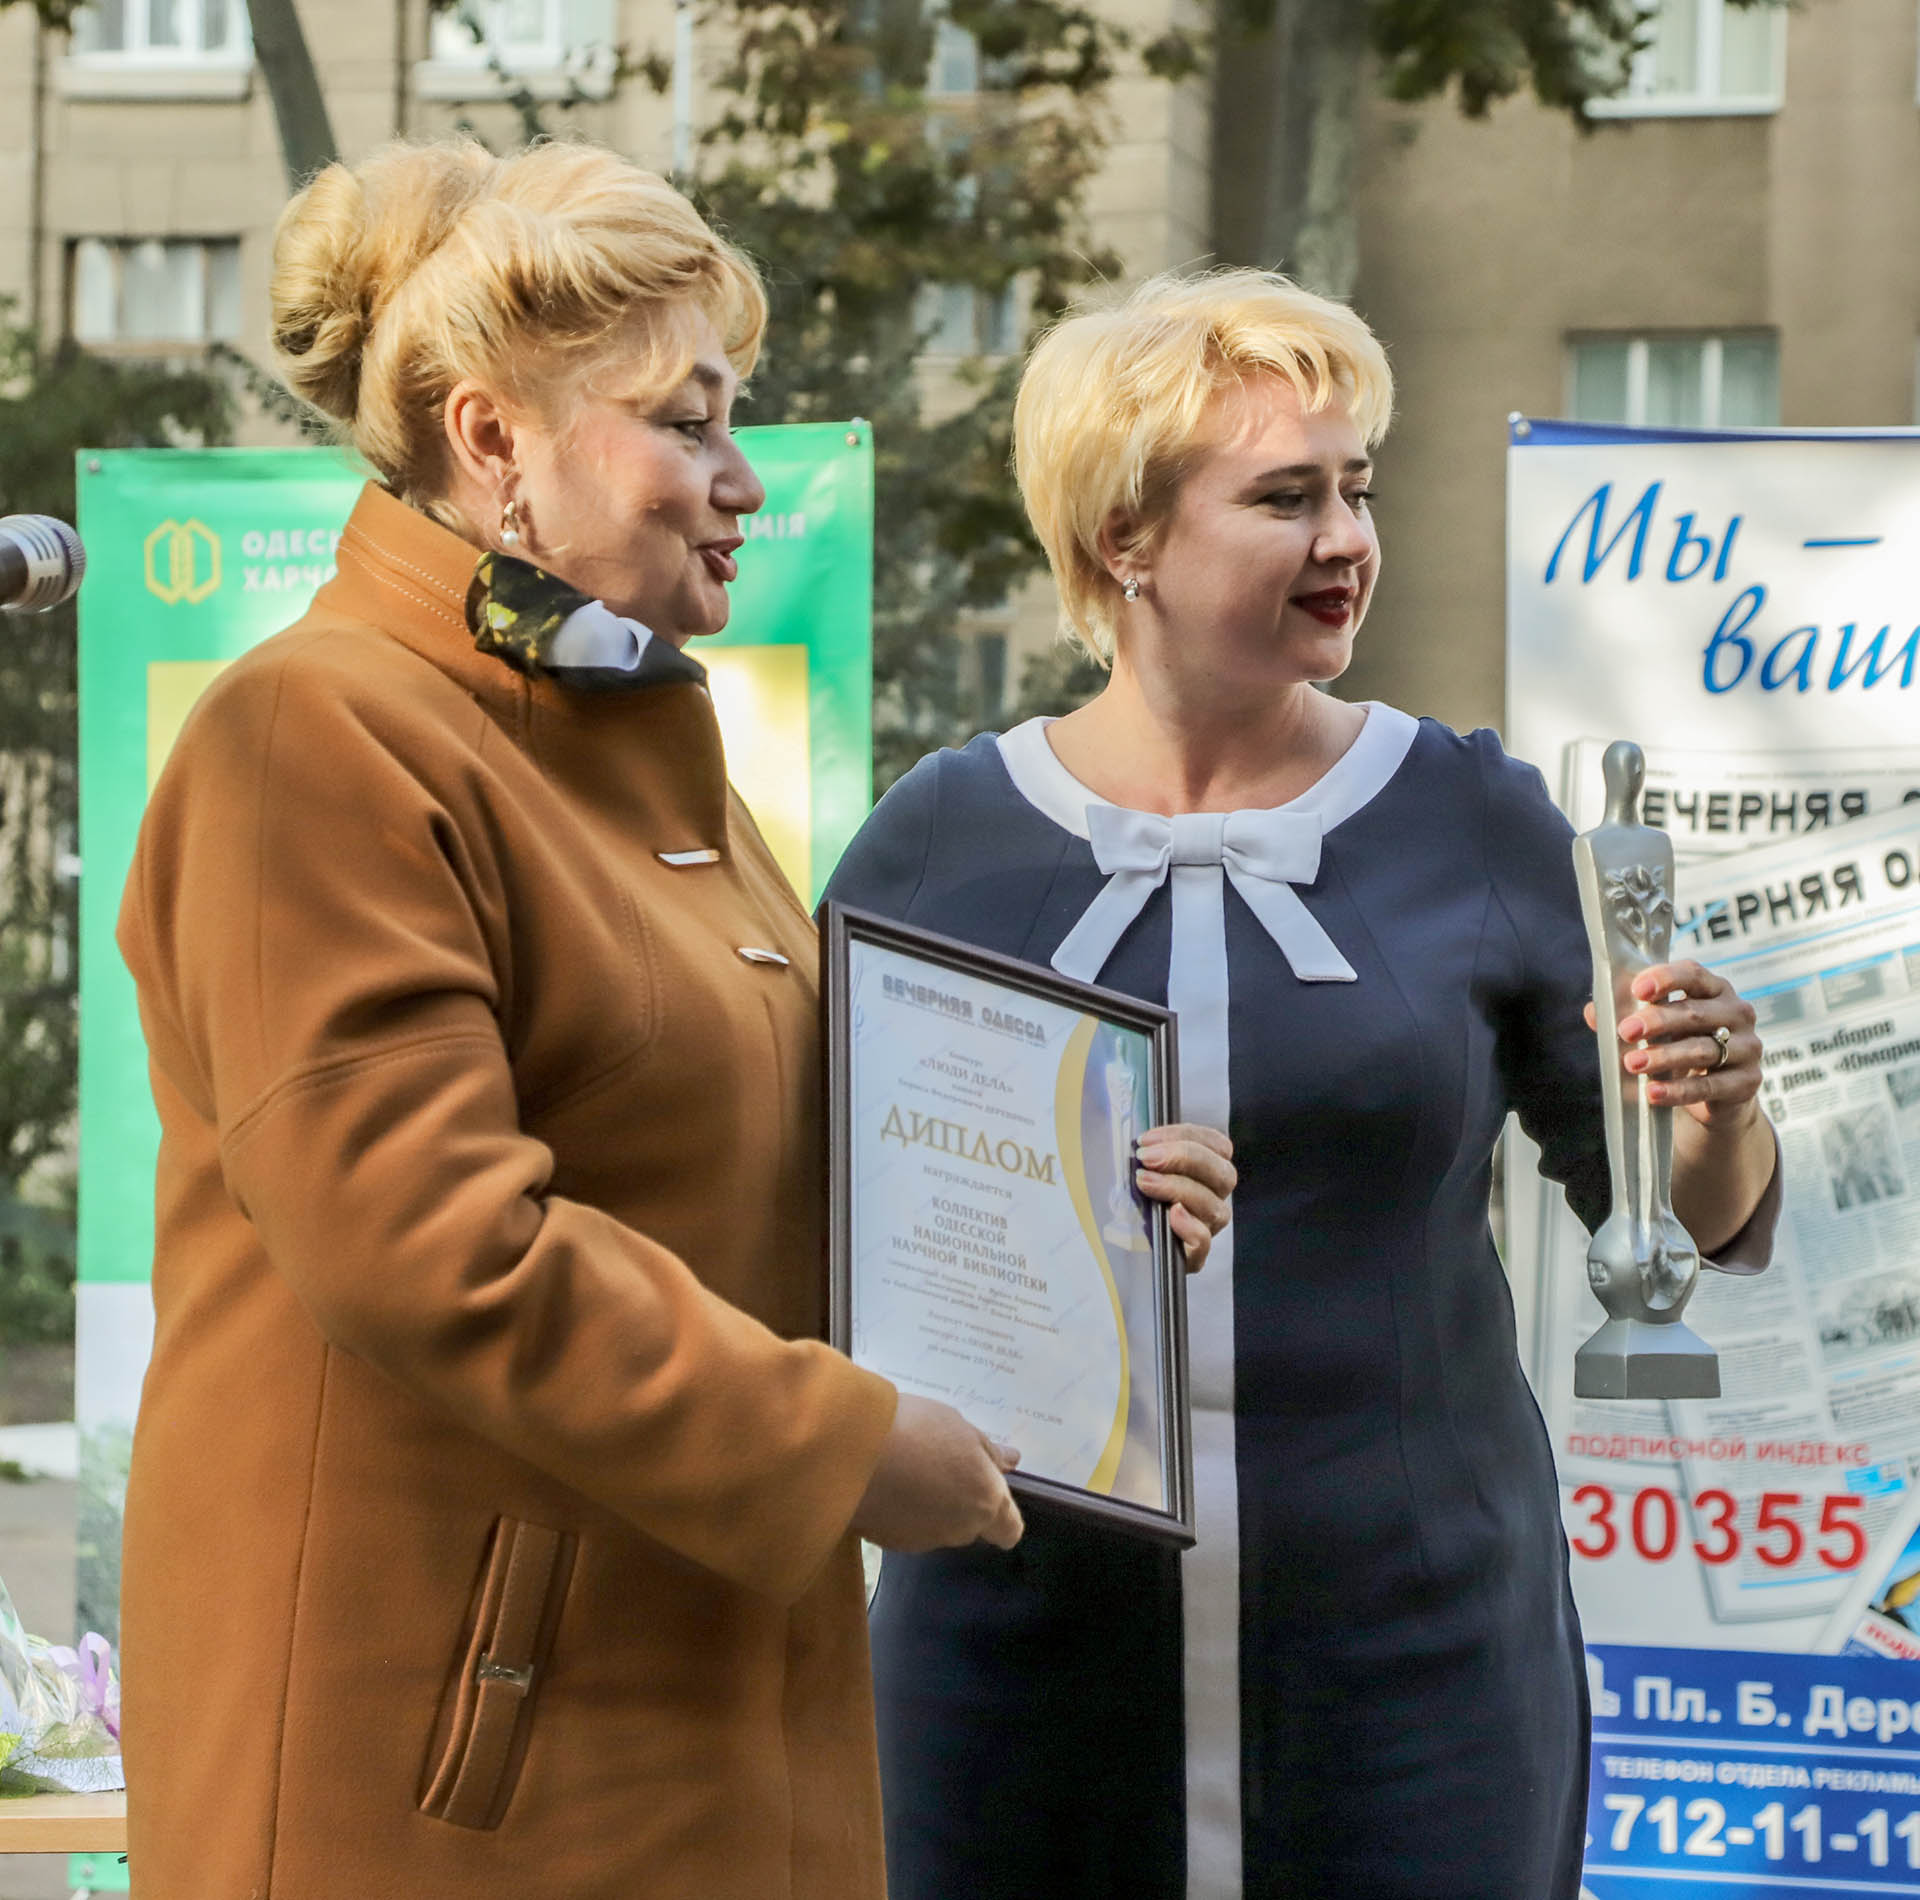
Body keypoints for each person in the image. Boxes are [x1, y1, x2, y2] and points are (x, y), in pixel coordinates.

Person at [110, 137, 1198, 1900]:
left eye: (732, 419)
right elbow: (428, 1244)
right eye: (686, 424)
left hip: (698, 1711)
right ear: (492, 440)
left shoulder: (637, 760)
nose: (740, 478)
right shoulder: (315, 734)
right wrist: (839, 1443)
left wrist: (1089, 1199)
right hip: (447, 1774)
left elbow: (772, 1176)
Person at [822, 268, 1781, 1900]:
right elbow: (836, 1233)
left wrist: (1718, 1116)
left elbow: (1674, 1228)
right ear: (1124, 536)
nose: (1347, 538)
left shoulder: (1470, 815)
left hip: (1420, 1673)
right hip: (1018, 1666)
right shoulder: (939, 839)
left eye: (1359, 490)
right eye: (1285, 498)